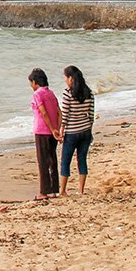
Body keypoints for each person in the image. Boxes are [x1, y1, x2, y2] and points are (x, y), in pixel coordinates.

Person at [56, 65, 95, 196]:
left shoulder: (68, 92)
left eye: (66, 77)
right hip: (85, 130)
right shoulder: (88, 92)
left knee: (66, 160)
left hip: (72, 131)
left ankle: (62, 190)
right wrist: (89, 130)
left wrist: (61, 132)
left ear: (71, 78)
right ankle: (81, 190)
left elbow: (65, 115)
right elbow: (91, 114)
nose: (65, 80)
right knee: (82, 159)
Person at [28, 68, 61, 200]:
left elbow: (43, 112)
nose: (31, 86)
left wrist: (52, 128)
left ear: (35, 82)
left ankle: (44, 191)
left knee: (43, 161)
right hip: (52, 132)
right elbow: (60, 113)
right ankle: (54, 190)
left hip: (42, 130)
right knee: (52, 159)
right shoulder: (51, 93)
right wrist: (56, 129)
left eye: (31, 83)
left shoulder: (37, 94)